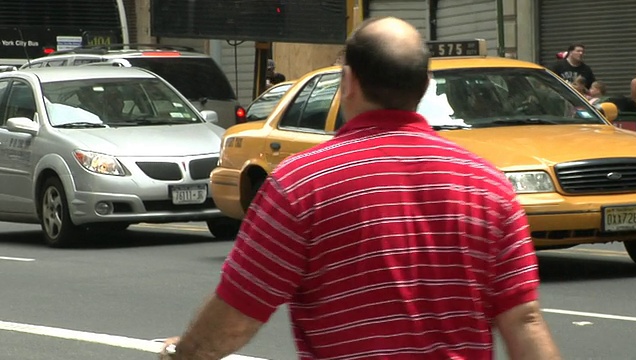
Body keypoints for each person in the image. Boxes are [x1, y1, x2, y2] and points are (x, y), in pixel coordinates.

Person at [160, 17, 561, 360]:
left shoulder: (302, 184)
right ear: (424, 86)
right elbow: (523, 320)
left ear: (348, 81)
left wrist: (185, 353)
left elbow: (239, 313)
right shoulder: (488, 185)